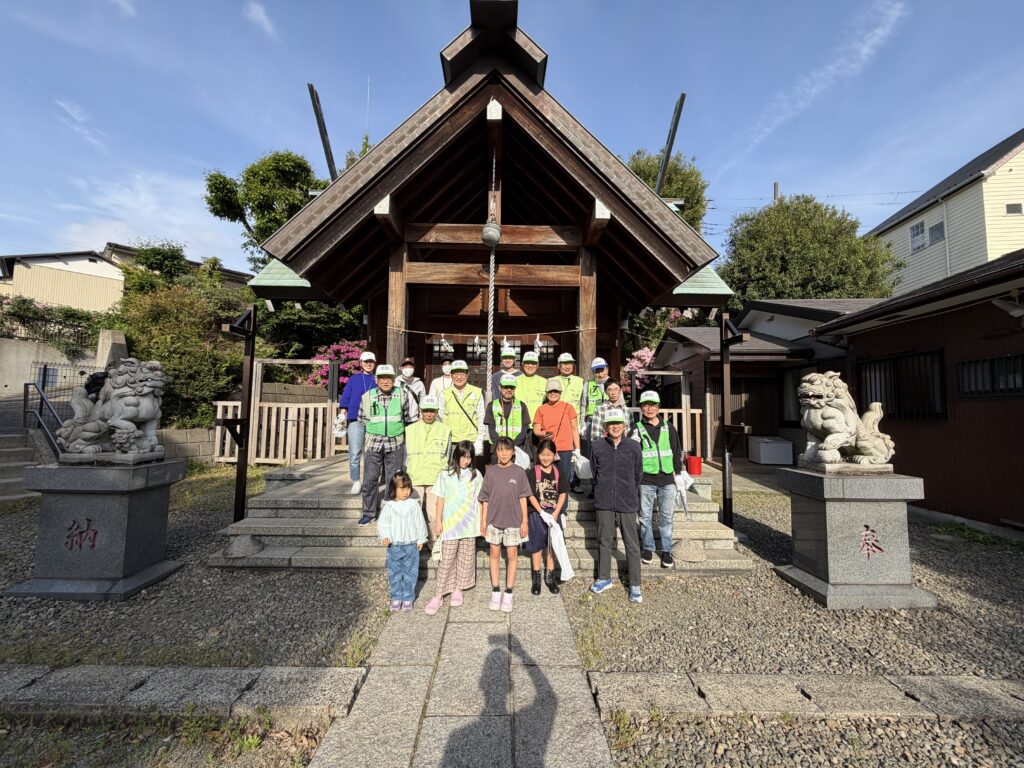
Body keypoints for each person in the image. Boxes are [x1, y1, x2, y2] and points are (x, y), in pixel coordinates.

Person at [589, 408, 643, 604]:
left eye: (618, 423)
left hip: (627, 500)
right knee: (604, 540)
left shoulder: (634, 447)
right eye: (611, 424)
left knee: (632, 543)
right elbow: (595, 472)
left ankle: (635, 583)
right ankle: (604, 578)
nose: (615, 427)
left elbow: (638, 474)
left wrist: (628, 490)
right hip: (604, 500)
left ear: (624, 426)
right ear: (605, 427)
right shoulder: (596, 446)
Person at [424, 441, 483, 615]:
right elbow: (440, 499)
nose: (466, 460)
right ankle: (439, 593)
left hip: (469, 523)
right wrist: (438, 522)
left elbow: (481, 498)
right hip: (450, 524)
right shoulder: (445, 474)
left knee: (466, 557)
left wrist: (482, 521)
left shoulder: (476, 475)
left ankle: (459, 588)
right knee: (447, 559)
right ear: (456, 456)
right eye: (463, 456)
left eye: (469, 457)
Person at [478, 437, 531, 613]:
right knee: (494, 552)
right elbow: (484, 499)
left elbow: (523, 498)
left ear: (513, 452)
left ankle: (508, 591)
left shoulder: (519, 472)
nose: (503, 453)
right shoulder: (491, 472)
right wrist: (483, 521)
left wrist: (524, 521)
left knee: (512, 554)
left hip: (514, 520)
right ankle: (495, 589)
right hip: (493, 519)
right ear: (496, 452)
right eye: (500, 450)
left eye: (507, 450)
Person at [357, 365, 414, 527]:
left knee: (393, 479)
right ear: (376, 380)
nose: (385, 381)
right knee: (370, 479)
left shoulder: (402, 395)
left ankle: (392, 511)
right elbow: (362, 419)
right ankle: (368, 512)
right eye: (382, 378)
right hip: (373, 443)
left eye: (388, 378)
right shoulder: (367, 396)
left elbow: (406, 417)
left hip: (395, 443)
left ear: (393, 379)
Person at [635, 390, 683, 569]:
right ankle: (648, 547)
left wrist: (678, 474)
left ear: (658, 407)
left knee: (666, 517)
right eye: (646, 405)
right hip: (645, 478)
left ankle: (666, 550)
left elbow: (676, 451)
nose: (649, 408)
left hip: (667, 479)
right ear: (641, 407)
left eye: (653, 405)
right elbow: (634, 454)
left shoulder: (668, 427)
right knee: (645, 516)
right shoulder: (636, 428)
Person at [403, 395, 452, 559]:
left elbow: (448, 454)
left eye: (432, 411)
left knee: (433, 514)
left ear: (437, 411)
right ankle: (413, 544)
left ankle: (434, 543)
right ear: (420, 411)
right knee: (413, 513)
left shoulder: (445, 430)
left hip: (435, 478)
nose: (429, 414)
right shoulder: (410, 430)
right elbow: (405, 455)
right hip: (414, 476)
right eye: (426, 411)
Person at [377, 470, 428, 612]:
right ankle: (396, 596)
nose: (406, 492)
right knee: (394, 572)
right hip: (394, 545)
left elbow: (419, 522)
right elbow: (383, 523)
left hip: (411, 545)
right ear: (394, 489)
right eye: (402, 489)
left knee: (410, 572)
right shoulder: (389, 506)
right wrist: (385, 536)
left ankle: (408, 597)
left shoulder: (413, 504)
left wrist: (421, 538)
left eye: (408, 488)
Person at [526, 439, 567, 596]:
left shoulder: (558, 472)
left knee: (552, 545)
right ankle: (536, 577)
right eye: (543, 454)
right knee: (536, 546)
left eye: (549, 454)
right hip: (537, 514)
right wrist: (541, 512)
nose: (546, 458)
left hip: (554, 513)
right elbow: (530, 494)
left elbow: (563, 492)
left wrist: (556, 512)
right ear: (538, 455)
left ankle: (550, 576)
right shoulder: (532, 472)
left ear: (554, 455)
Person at [337, 350, 378, 495]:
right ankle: (355, 481)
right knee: (355, 453)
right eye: (366, 362)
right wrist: (342, 415)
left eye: (371, 362)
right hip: (355, 419)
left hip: (373, 420)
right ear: (361, 363)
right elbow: (346, 398)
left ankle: (370, 480)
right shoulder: (354, 379)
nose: (368, 364)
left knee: (371, 453)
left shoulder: (378, 379)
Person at [531, 379, 580, 495]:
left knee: (564, 480)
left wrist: (577, 449)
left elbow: (574, 429)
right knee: (547, 479)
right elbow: (536, 429)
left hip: (565, 449)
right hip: (547, 449)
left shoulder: (568, 407)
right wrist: (542, 434)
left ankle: (562, 509)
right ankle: (548, 505)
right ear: (546, 393)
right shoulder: (541, 409)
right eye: (550, 391)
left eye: (556, 391)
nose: (553, 394)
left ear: (560, 392)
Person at [437, 360, 485, 459]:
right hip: (451, 440)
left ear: (467, 374)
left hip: (470, 441)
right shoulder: (444, 393)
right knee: (451, 470)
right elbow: (440, 418)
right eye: (456, 373)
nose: (459, 377)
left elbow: (481, 417)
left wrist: (480, 439)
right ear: (451, 375)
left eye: (462, 373)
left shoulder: (476, 392)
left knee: (469, 472)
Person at [483, 373, 532, 464]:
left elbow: (524, 428)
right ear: (499, 388)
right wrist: (502, 447)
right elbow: (491, 429)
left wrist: (511, 447)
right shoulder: (491, 405)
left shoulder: (522, 406)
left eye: (511, 387)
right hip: (497, 449)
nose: (509, 390)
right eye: (505, 387)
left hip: (516, 449)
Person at [580, 356, 611, 451]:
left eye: (602, 370)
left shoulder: (613, 383)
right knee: (593, 449)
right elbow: (583, 405)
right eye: (597, 371)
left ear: (607, 369)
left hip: (609, 421)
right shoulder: (588, 384)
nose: (600, 374)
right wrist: (582, 424)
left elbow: (621, 403)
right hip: (591, 421)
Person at [516, 350, 548, 426]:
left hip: (538, 425)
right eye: (527, 363)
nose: (530, 366)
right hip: (518, 424)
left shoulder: (545, 382)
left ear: (537, 365)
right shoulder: (515, 381)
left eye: (533, 363)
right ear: (522, 364)